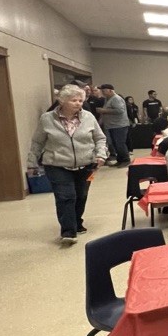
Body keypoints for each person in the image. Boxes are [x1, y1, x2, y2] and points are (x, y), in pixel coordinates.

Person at [26, 83, 107, 244]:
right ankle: (68, 231)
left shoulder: (88, 117)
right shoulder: (47, 119)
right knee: (66, 196)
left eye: (80, 100)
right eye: (73, 100)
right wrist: (31, 163)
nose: (78, 103)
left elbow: (100, 138)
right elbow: (37, 142)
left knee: (81, 195)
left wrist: (101, 155)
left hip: (85, 163)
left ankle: (77, 222)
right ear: (62, 101)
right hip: (57, 164)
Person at [97, 84, 130, 166]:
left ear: (110, 90)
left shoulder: (116, 99)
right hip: (112, 125)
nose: (103, 93)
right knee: (115, 144)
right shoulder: (107, 99)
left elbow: (120, 110)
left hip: (119, 125)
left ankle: (125, 160)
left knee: (120, 143)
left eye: (104, 91)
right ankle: (120, 160)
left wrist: (104, 110)